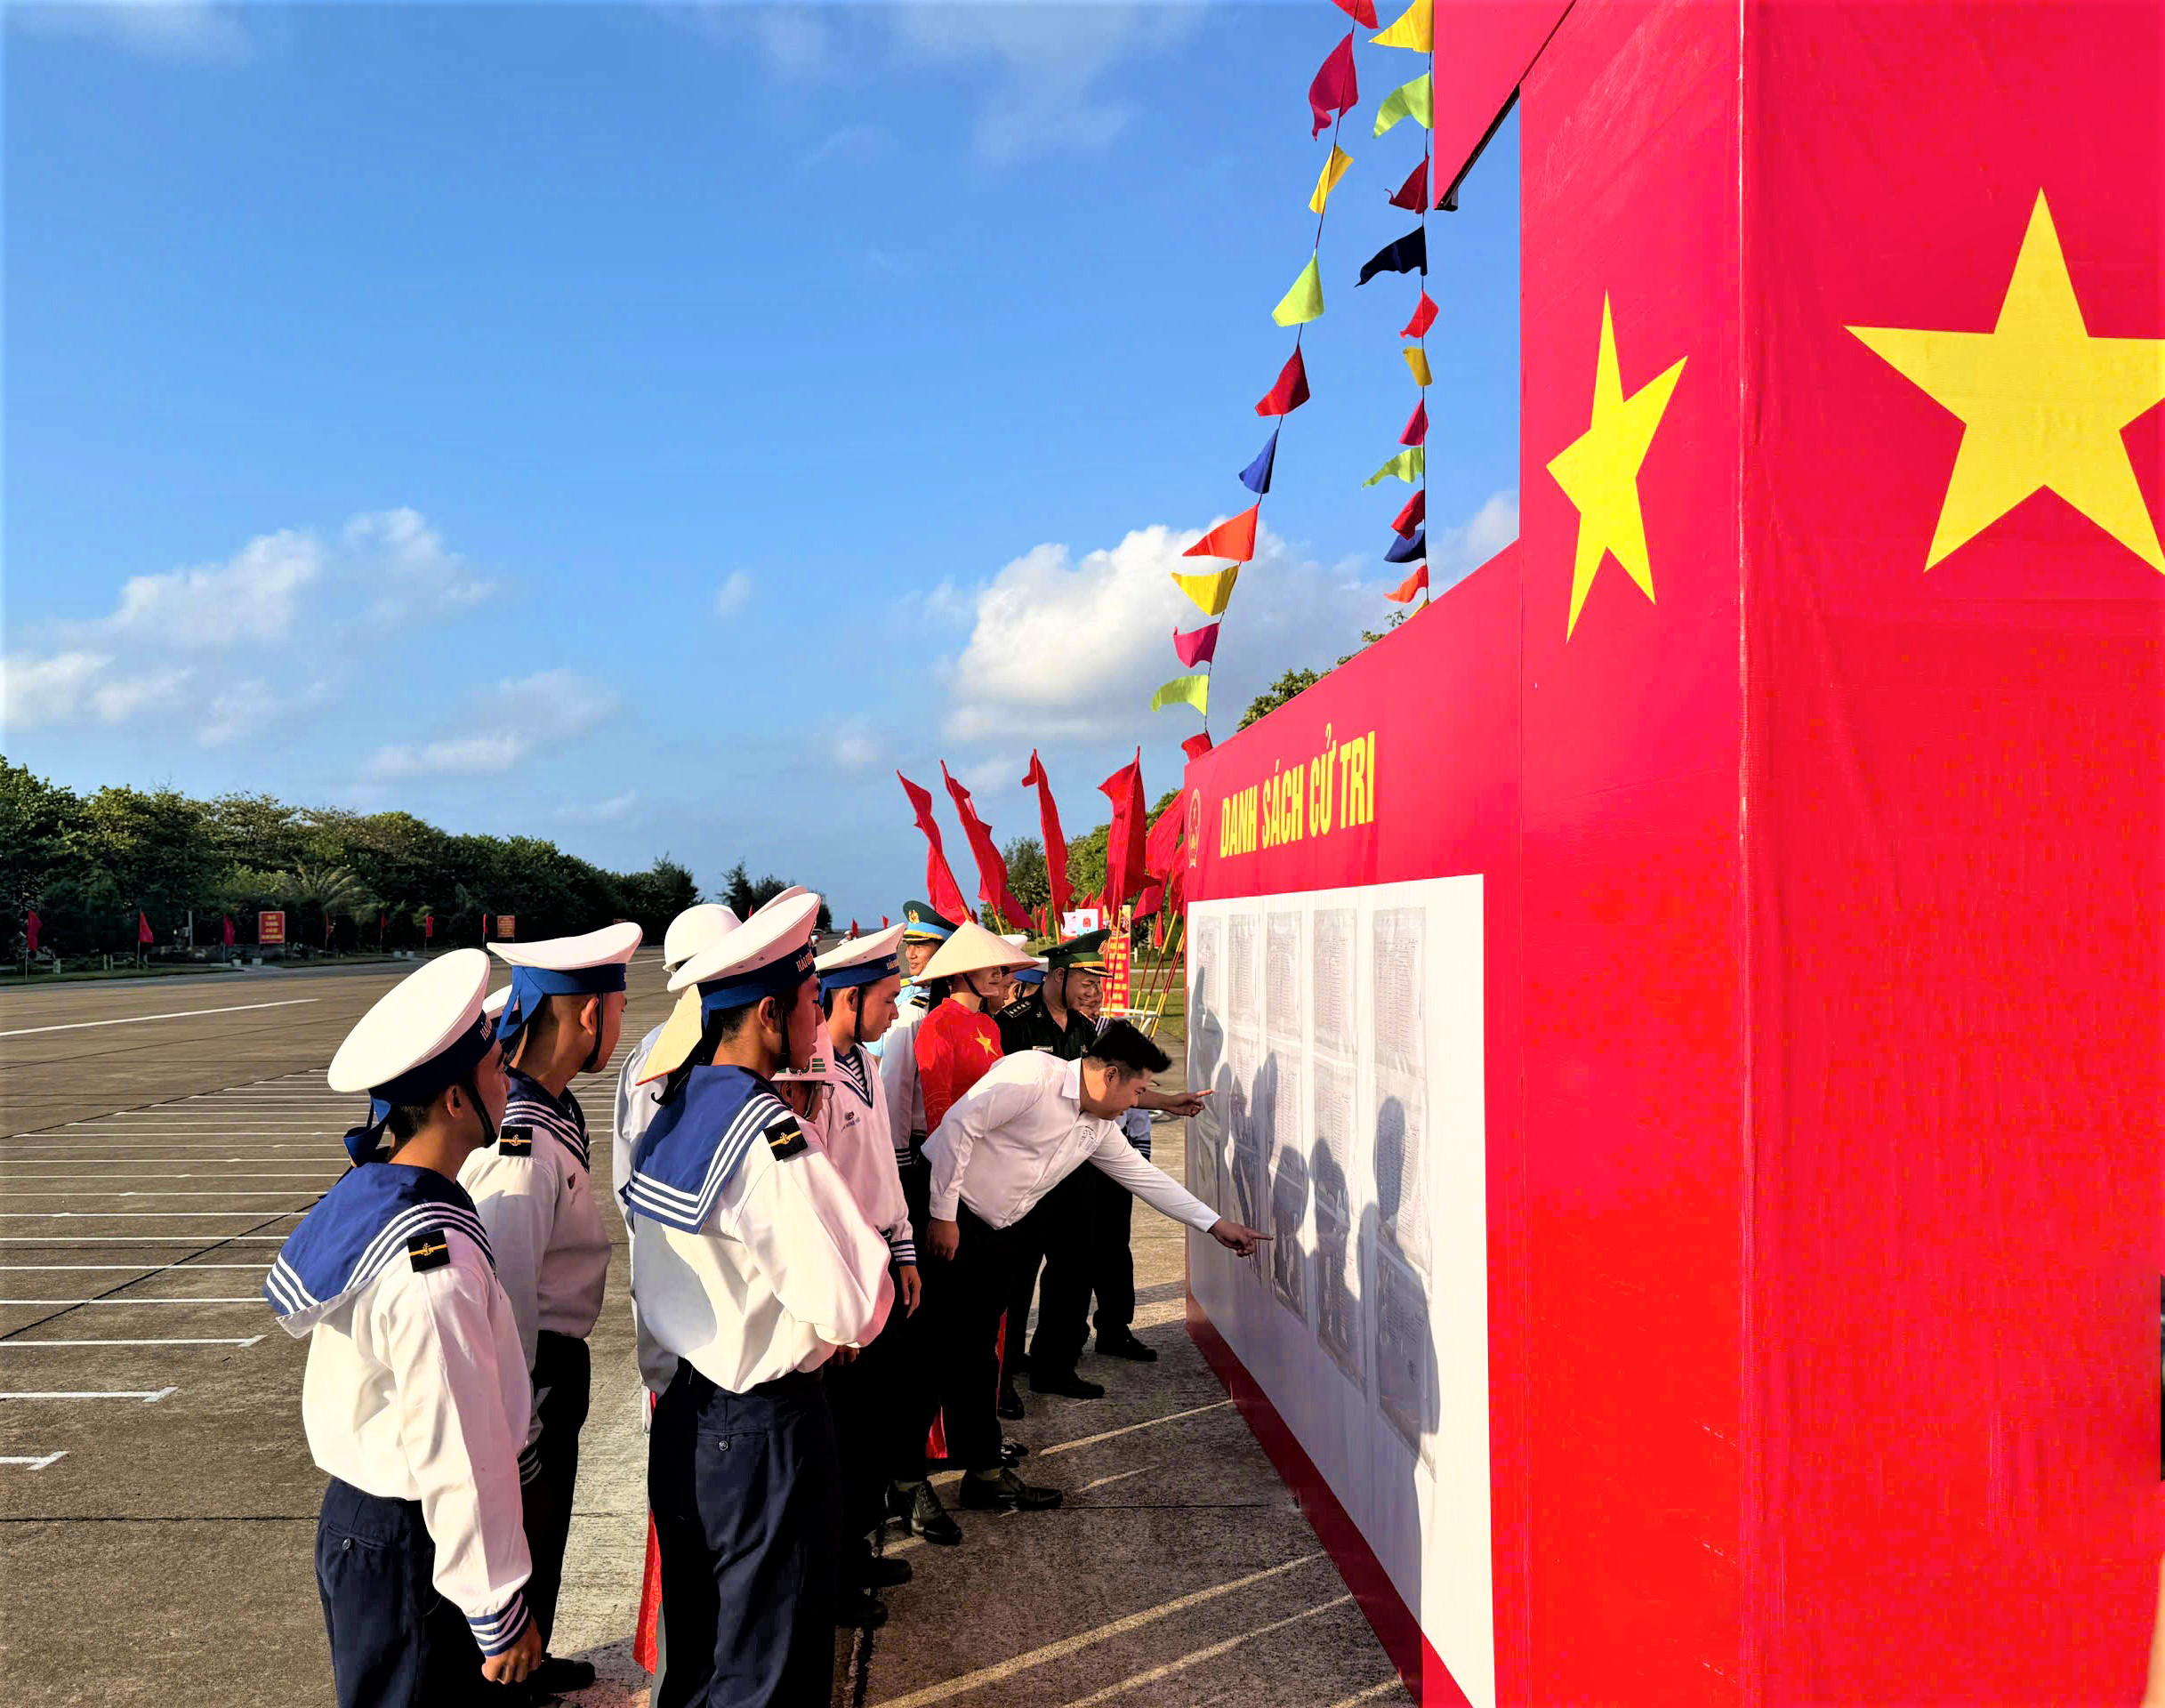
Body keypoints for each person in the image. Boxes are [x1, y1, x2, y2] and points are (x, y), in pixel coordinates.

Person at [624, 891, 893, 1707]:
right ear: (770, 1014)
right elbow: (852, 1307)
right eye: (811, 999)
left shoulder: (673, 1107)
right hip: (765, 1428)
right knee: (769, 1669)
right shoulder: (767, 1134)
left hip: (689, 1411)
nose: (818, 1018)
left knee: (702, 1658)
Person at [264, 948, 543, 1704]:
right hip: (408, 1537)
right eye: (495, 1069)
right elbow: (455, 1440)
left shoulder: (380, 1193)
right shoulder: (431, 1262)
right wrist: (497, 1607)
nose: (508, 1081)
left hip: (368, 1523)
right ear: (455, 1100)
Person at [919, 1019, 1267, 1514]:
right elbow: (958, 1126)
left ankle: (983, 1474)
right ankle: (905, 1482)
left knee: (977, 1355)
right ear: (1109, 1075)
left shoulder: (1098, 1126)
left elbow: (1145, 1177)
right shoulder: (1032, 1075)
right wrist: (942, 1215)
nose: (1137, 1103)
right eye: (1138, 1091)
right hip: (946, 1217)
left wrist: (1214, 1225)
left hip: (994, 1231)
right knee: (928, 1353)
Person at [457, 920, 639, 1695]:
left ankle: (531, 1657)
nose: (618, 1026)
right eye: (618, 1010)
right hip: (535, 1370)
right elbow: (507, 1300)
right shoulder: (521, 1144)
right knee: (527, 1526)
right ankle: (509, 1674)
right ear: (591, 1014)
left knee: (549, 1531)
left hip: (556, 1361)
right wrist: (521, 1425)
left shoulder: (550, 1105)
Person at [997, 931, 1205, 1401]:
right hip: (1025, 1170)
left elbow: (1111, 1088)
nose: (1094, 991)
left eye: (1098, 983)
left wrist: (1167, 1101)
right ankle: (1003, 1375)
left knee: (1074, 1268)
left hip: (1077, 1167)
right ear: (1058, 976)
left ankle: (1055, 1364)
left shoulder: (1087, 1031)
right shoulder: (1013, 1024)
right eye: (1087, 981)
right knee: (1017, 1276)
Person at [884, 919, 1036, 1539]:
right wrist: (934, 1211)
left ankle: (983, 1464)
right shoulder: (929, 1028)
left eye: (1005, 967)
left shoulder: (991, 1028)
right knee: (935, 1343)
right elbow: (929, 1120)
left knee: (978, 1340)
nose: (1004, 975)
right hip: (941, 1187)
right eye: (993, 966)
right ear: (960, 973)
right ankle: (905, 1476)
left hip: (985, 1189)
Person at [799, 925, 925, 1604]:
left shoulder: (865, 1065)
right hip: (845, 1271)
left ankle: (859, 1544)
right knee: (842, 1432)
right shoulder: (810, 1073)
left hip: (879, 1259)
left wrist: (903, 1249)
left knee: (876, 1419)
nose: (896, 1012)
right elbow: (815, 1201)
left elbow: (882, 1168)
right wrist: (838, 1305)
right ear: (848, 999)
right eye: (887, 998)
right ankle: (838, 1570)